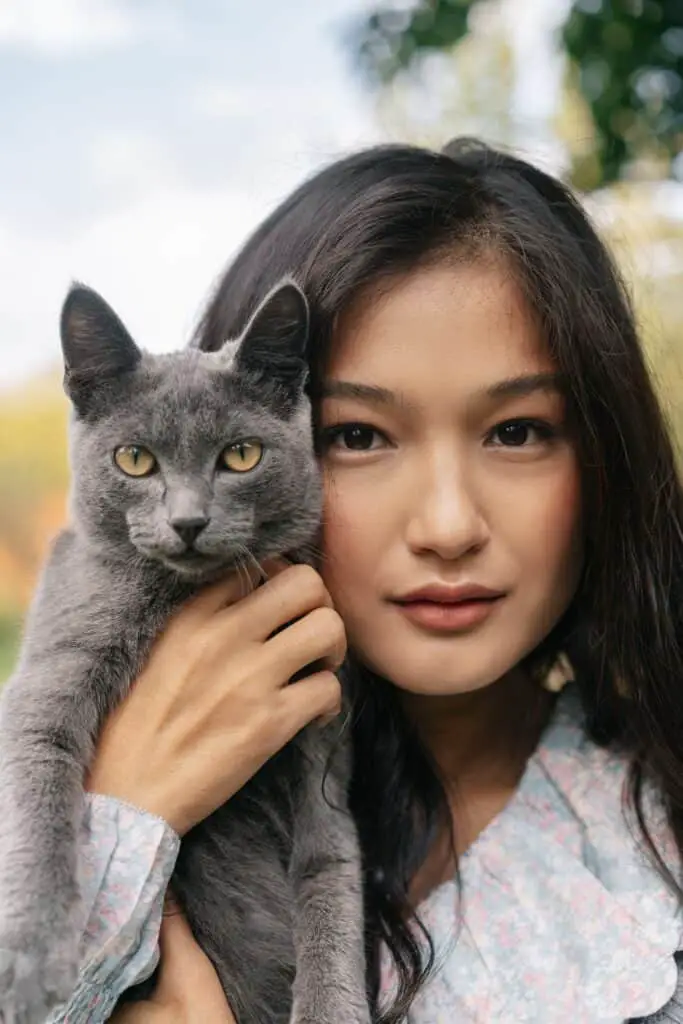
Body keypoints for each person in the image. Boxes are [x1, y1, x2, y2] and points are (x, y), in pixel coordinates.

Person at [47, 137, 683, 1023]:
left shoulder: (646, 873)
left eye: (516, 431)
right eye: (357, 436)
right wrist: (123, 810)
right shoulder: (46, 785)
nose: (449, 526)